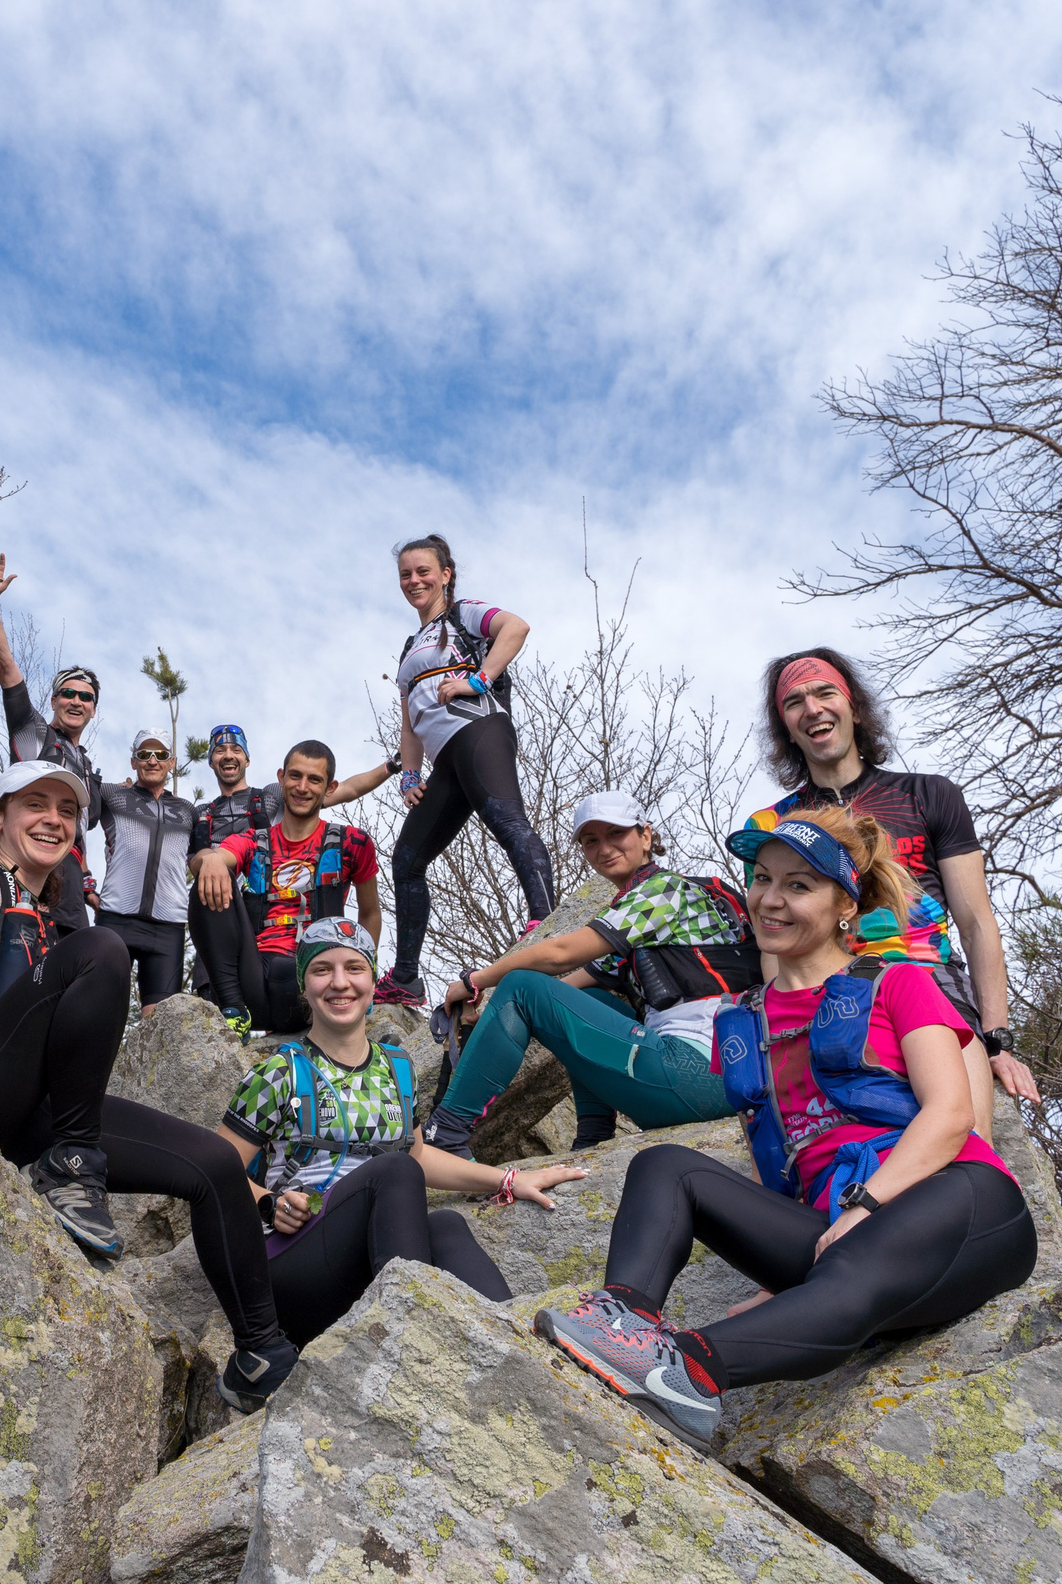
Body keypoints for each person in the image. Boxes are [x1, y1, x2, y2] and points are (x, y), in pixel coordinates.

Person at [533, 809, 1037, 1444]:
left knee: (853, 1264)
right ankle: (625, 1322)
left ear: (845, 905)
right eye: (763, 879)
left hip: (957, 1213)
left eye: (798, 885)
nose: (771, 899)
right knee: (665, 1166)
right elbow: (780, 1166)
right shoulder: (740, 1023)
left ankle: (686, 1366)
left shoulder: (897, 983)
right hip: (839, 1241)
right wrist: (786, 1290)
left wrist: (866, 1208)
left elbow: (953, 1114)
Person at [0, 760, 306, 1412]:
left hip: (32, 1107)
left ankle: (263, 1352)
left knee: (216, 1162)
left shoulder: (58, 924)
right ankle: (72, 1167)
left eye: (66, 810)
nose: (53, 818)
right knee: (106, 947)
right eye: (36, 803)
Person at [221, 918, 586, 1344]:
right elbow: (215, 1172)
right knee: (393, 1172)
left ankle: (520, 1350)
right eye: (322, 970)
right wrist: (269, 1203)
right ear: (304, 986)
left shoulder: (397, 1067)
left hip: (361, 1260)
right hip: (292, 1265)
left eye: (354, 968)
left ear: (373, 983)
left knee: (446, 1225)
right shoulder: (278, 1073)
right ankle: (408, 1341)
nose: (340, 983)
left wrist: (509, 1179)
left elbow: (417, 1155)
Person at [745, 648, 1042, 1134]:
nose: (813, 708)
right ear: (786, 727)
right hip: (831, 995)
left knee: (965, 1145)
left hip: (929, 981)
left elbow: (976, 921)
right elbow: (774, 935)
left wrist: (998, 1040)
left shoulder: (929, 794)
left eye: (825, 692)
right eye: (794, 702)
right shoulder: (771, 824)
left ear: (854, 707)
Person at [420, 792, 760, 1159]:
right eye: (591, 841)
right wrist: (488, 1013)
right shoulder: (666, 904)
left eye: (617, 833)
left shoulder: (663, 891)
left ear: (646, 836)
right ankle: (592, 1140)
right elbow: (559, 998)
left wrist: (475, 980)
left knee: (520, 984)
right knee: (584, 1002)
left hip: (700, 1074)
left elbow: (558, 956)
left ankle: (447, 1133)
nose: (604, 848)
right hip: (721, 1072)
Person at [378, 535, 555, 1006]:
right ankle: (407, 979)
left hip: (479, 731)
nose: (414, 581)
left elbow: (515, 627)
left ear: (446, 574)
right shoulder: (409, 646)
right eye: (406, 574)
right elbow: (409, 720)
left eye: (423, 572)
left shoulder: (464, 613)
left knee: (507, 822)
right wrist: (410, 775)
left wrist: (479, 678)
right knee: (407, 861)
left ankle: (546, 923)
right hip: (444, 762)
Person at [185, 724, 394, 1019]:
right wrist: (213, 859)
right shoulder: (253, 841)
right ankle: (233, 1010)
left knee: (291, 968)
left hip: (317, 979)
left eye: (314, 779)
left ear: (329, 788)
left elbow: (370, 913)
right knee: (211, 875)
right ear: (281, 779)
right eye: (295, 776)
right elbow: (221, 856)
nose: (302, 787)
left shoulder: (351, 842)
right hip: (253, 976)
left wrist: (365, 972)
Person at [0, 549, 102, 926]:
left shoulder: (88, 766)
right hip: (28, 856)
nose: (76, 701)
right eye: (69, 693)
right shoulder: (36, 735)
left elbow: (81, 829)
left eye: (86, 697)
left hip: (72, 873)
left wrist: (89, 880)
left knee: (73, 965)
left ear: (94, 709)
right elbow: (6, 668)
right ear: (54, 699)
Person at [91, 729, 198, 1010]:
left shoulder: (188, 810)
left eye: (160, 755)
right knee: (99, 1010)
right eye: (144, 754)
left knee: (160, 1022)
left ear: (171, 762)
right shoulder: (111, 794)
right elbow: (74, 825)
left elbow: (203, 854)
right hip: (116, 919)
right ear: (133, 761)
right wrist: (84, 882)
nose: (152, 760)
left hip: (167, 928)